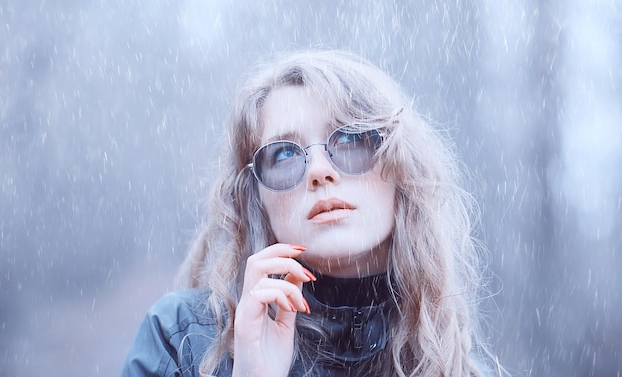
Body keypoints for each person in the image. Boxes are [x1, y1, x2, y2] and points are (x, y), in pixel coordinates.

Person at [120, 50, 500, 377]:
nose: (319, 170)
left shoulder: (456, 368)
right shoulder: (181, 341)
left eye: (351, 138)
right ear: (257, 198)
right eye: (284, 154)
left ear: (401, 168)